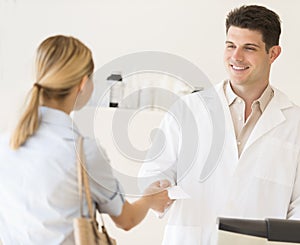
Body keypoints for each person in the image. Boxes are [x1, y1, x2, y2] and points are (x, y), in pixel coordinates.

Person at [139, 5, 300, 245]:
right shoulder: (187, 111)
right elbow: (153, 174)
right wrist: (156, 189)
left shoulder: (295, 123)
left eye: (249, 48)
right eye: (230, 46)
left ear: (273, 53)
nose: (236, 57)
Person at [0, 35, 172, 244]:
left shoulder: (7, 142)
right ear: (83, 84)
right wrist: (150, 199)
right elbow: (126, 220)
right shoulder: (84, 152)